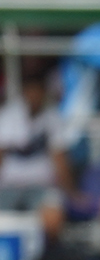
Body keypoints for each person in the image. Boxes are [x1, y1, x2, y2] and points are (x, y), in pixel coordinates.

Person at [0, 71, 72, 248]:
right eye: (31, 91)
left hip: (40, 188)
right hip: (9, 187)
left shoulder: (52, 118)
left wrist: (72, 191)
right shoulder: (9, 116)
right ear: (24, 92)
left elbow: (60, 159)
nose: (34, 96)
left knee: (53, 217)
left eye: (38, 91)